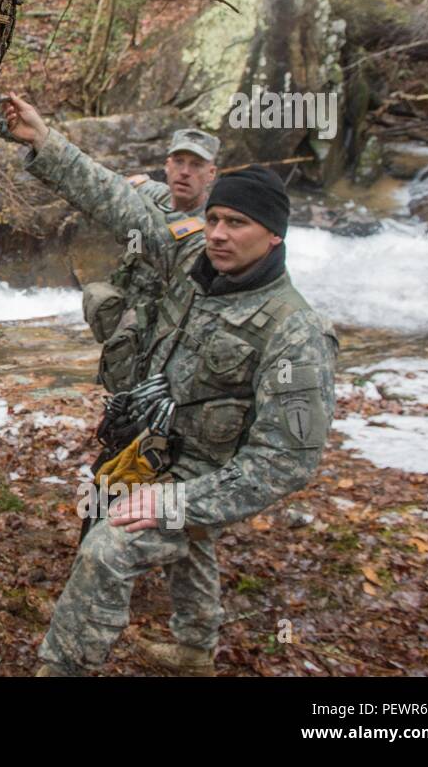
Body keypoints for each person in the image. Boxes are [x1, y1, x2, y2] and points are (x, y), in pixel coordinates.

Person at [33, 166, 338, 676]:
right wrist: (42, 143)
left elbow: (286, 462)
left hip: (210, 477)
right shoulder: (194, 261)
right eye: (213, 217)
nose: (218, 234)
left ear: (274, 234)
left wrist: (177, 500)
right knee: (169, 532)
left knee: (110, 545)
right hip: (157, 446)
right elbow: (118, 203)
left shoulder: (297, 333)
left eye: (237, 223)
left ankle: (62, 668)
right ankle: (195, 652)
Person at [1, 94, 220, 351]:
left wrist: (43, 137)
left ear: (211, 174)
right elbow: (99, 183)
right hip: (128, 342)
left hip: (170, 348)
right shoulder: (148, 192)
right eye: (180, 162)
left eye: (196, 165)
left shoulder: (213, 230)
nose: (185, 172)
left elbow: (106, 195)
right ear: (167, 165)